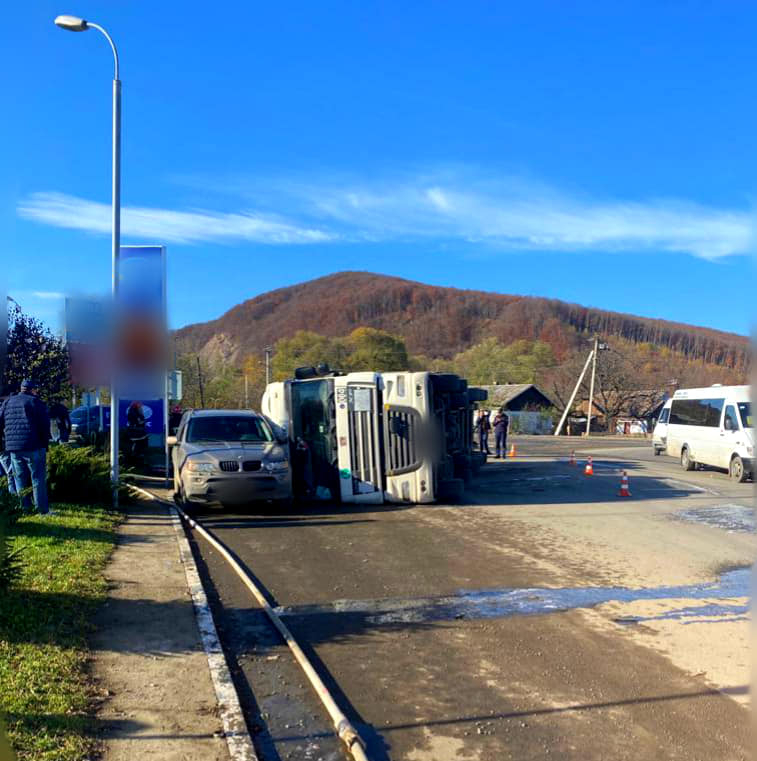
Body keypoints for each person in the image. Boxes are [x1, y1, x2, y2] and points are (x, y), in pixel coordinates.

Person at [0, 379, 51, 515]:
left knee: (19, 478)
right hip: (34, 445)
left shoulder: (8, 402)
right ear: (32, 389)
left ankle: (24, 508)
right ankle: (41, 510)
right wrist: (45, 444)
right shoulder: (35, 402)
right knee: (37, 478)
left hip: (13, 447)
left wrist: (6, 440)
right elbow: (45, 425)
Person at [0, 396, 17, 496]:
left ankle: (8, 494)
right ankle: (12, 494)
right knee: (10, 472)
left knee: (6, 472)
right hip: (3, 446)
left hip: (3, 446)